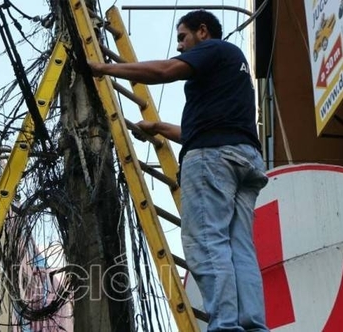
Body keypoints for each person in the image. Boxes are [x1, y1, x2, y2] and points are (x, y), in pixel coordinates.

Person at [89, 10, 269, 332]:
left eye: (183, 38)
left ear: (203, 31)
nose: (181, 47)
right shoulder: (234, 68)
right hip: (244, 160)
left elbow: (166, 70)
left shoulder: (213, 49)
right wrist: (158, 126)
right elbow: (200, 131)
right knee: (239, 246)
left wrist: (104, 68)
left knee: (208, 242)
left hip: (213, 160)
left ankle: (225, 326)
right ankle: (252, 326)